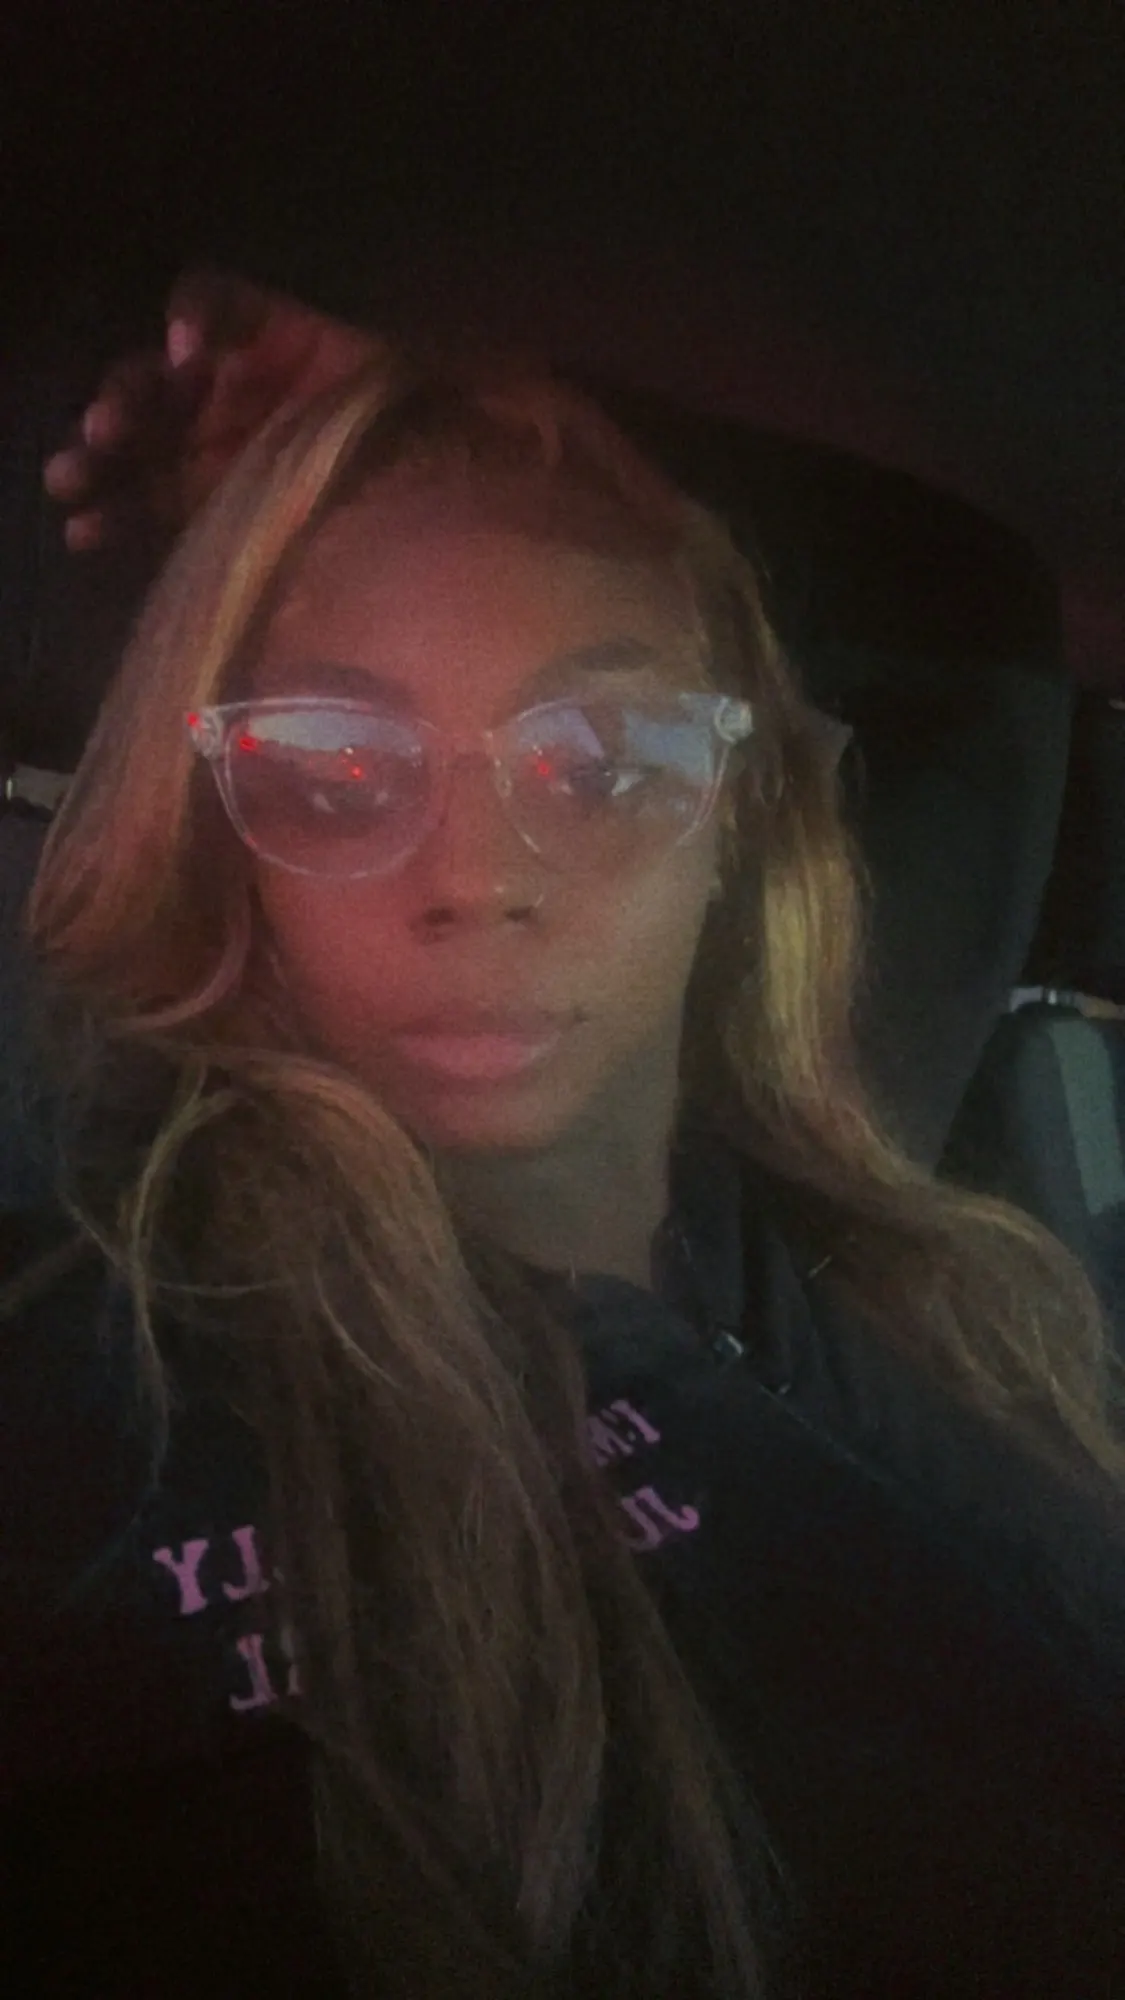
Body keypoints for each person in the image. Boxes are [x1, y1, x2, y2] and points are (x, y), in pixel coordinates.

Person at [3, 305, 1125, 1999]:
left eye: (607, 761)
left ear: (737, 814)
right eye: (335, 765)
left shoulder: (918, 1251)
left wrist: (520, 383)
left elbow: (968, 623)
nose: (478, 881)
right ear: (226, 838)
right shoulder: (109, 1369)